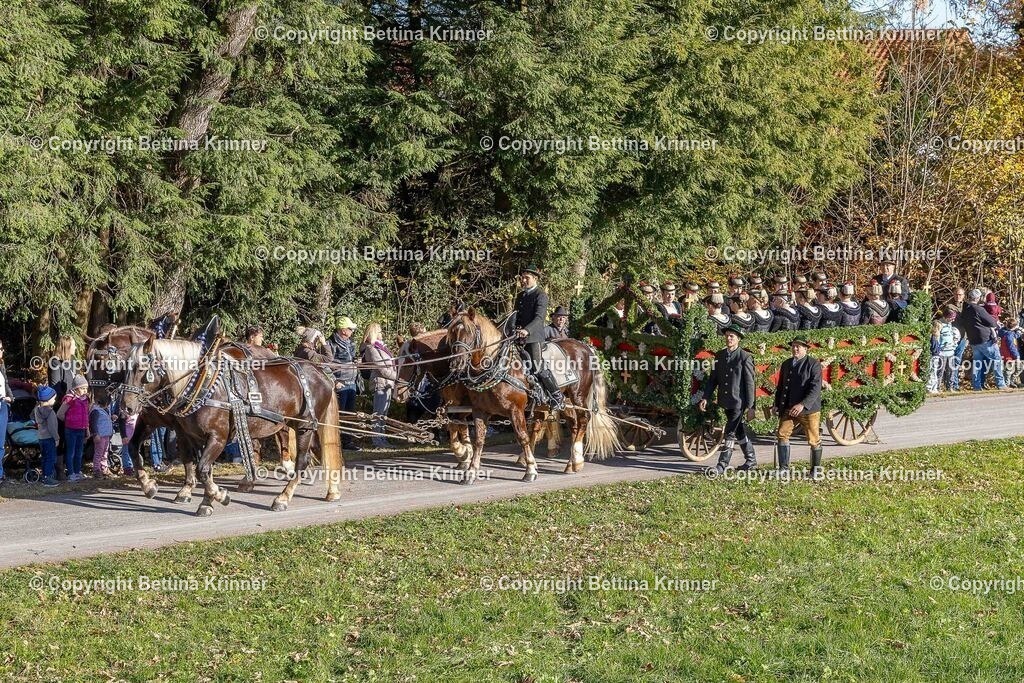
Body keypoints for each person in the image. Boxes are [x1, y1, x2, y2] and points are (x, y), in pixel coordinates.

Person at [700, 325, 757, 474]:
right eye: (727, 335)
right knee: (739, 432)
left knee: (730, 433)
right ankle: (751, 459)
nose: (729, 338)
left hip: (739, 402)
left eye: (732, 336)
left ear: (738, 339)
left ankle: (721, 465)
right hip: (725, 401)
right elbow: (713, 380)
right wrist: (705, 397)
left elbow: (750, 383)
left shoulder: (745, 357)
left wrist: (751, 407)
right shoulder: (719, 356)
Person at [513, 265, 562, 410]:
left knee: (537, 366)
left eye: (526, 278)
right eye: (522, 277)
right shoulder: (521, 296)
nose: (523, 280)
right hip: (517, 337)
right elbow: (515, 317)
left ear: (535, 279)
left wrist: (526, 330)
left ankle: (556, 395)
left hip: (534, 337)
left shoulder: (541, 295)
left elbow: (539, 318)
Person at [773, 337, 823, 474]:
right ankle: (784, 469)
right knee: (782, 434)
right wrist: (777, 404)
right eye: (793, 346)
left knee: (814, 440)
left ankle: (816, 470)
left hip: (809, 410)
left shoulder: (813, 364)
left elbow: (815, 388)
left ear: (805, 349)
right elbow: (781, 387)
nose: (795, 349)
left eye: (798, 347)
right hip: (789, 408)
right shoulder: (787, 364)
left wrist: (802, 405)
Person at [954, 288, 1006, 390]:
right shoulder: (978, 309)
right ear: (978, 298)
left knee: (978, 364)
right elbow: (991, 322)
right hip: (985, 339)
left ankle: (976, 386)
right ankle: (1001, 384)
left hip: (973, 340)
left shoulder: (966, 309)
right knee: (997, 360)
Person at [362, 322, 398, 448]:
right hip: (380, 383)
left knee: (384, 413)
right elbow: (381, 368)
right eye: (379, 331)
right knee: (378, 413)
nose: (382, 333)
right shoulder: (371, 348)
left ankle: (382, 439)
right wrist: (397, 377)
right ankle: (377, 440)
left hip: (388, 383)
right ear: (374, 333)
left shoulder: (381, 347)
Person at [327, 317, 360, 451]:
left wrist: (357, 362)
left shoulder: (351, 343)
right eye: (350, 329)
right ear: (343, 330)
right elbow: (326, 365)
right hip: (340, 384)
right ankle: (335, 442)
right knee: (338, 414)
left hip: (352, 383)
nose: (352, 331)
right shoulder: (331, 344)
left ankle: (348, 441)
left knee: (350, 414)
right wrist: (334, 381)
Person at [57, 374, 90, 480]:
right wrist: (69, 421)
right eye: (82, 388)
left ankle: (77, 471)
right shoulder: (69, 399)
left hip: (81, 429)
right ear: (76, 389)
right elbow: (60, 414)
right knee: (70, 451)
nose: (85, 390)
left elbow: (86, 416)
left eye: (86, 388)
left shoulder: (85, 399)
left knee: (79, 451)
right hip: (71, 429)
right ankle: (70, 472)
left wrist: (87, 429)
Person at [927, 307, 961, 393]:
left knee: (951, 370)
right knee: (940, 371)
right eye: (951, 318)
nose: (952, 320)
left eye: (954, 318)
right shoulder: (940, 324)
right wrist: (940, 348)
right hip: (942, 352)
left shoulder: (949, 324)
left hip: (951, 351)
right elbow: (937, 338)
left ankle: (950, 387)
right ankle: (937, 387)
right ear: (946, 316)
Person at [34, 386, 61, 487]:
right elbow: (52, 427)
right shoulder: (50, 413)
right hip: (49, 438)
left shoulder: (37, 410)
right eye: (54, 398)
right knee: (50, 458)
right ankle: (48, 477)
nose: (54, 400)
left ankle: (44, 476)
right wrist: (57, 438)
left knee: (44, 458)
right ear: (49, 399)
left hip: (41, 437)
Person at [90, 394, 115, 477]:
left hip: (106, 435)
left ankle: (104, 468)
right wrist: (95, 434)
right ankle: (96, 469)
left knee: (105, 452)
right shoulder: (96, 411)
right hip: (100, 435)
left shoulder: (104, 411)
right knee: (99, 452)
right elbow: (93, 424)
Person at [999, 319, 1022, 388]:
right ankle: (1007, 384)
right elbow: (1012, 347)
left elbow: (1014, 336)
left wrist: (1018, 332)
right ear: (1013, 327)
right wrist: (1017, 356)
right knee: (1009, 370)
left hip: (1006, 354)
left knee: (1020, 367)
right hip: (1009, 355)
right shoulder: (1009, 335)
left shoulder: (1005, 331)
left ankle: (1011, 381)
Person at [0, 341, 11, 484]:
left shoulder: (1, 365)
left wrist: (10, 398)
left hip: (3, 406)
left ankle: (0, 473)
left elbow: (6, 383)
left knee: (1, 444)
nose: (2, 351)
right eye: (0, 348)